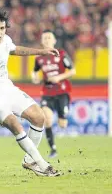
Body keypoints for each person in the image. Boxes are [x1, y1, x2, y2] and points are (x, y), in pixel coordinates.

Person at [0, 8, 61, 176]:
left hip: (7, 88)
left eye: (2, 28)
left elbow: (15, 50)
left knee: (38, 116)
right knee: (15, 123)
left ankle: (29, 161)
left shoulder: (6, 40)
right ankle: (43, 165)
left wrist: (42, 51)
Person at [32, 30, 76, 158]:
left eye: (49, 38)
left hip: (62, 91)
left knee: (62, 123)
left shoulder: (61, 54)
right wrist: (35, 77)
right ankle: (53, 149)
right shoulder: (39, 58)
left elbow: (73, 71)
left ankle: (62, 124)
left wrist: (59, 77)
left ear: (54, 40)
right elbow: (34, 72)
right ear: (41, 41)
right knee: (47, 119)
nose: (47, 40)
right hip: (47, 92)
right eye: (44, 38)